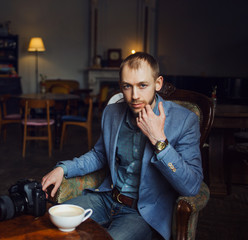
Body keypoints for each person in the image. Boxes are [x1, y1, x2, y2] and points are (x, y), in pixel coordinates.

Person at [41, 52, 203, 240]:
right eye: (127, 86)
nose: (134, 96)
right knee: (49, 223)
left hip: (142, 212)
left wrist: (160, 141)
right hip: (106, 198)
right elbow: (99, 155)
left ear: (158, 83)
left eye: (143, 85)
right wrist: (63, 168)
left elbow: (191, 187)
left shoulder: (184, 121)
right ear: (121, 86)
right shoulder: (112, 112)